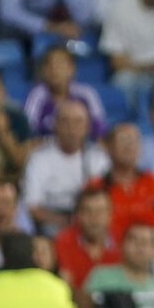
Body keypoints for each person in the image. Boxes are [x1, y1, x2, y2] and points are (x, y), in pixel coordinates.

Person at [21, 100, 111, 236]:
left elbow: (108, 200)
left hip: (91, 216)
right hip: (53, 218)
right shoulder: (39, 158)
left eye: (78, 122)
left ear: (87, 127)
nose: (71, 128)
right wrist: (65, 221)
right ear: (55, 125)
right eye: (65, 121)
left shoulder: (99, 157)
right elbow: (32, 207)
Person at [89, 122, 154, 243]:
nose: (129, 146)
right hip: (112, 256)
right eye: (122, 141)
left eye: (133, 141)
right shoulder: (95, 188)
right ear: (108, 147)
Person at [23, 45, 108, 140]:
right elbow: (28, 129)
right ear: (44, 71)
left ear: (72, 69)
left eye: (60, 64)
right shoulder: (37, 95)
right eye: (49, 65)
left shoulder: (87, 93)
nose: (54, 70)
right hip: (47, 148)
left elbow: (99, 126)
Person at [53, 188, 119, 290]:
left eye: (100, 211)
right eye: (88, 211)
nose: (94, 218)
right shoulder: (63, 242)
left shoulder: (123, 243)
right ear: (78, 215)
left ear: (110, 214)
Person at [86, 222, 154, 293]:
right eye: (134, 240)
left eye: (145, 242)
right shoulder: (101, 278)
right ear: (121, 245)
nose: (140, 246)